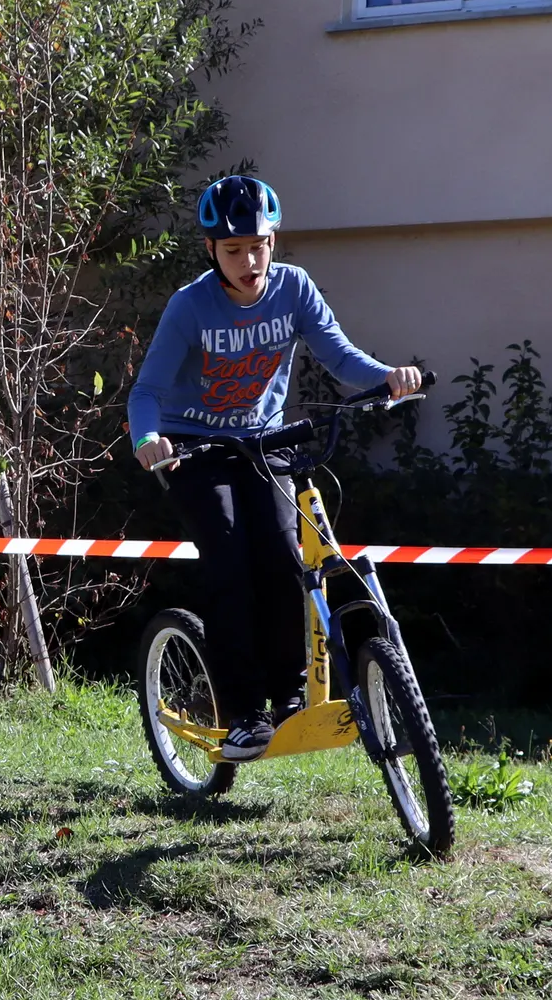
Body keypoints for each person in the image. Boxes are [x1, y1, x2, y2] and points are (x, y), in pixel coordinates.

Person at [129, 175, 421, 760]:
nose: (248, 260)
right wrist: (149, 438)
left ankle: (289, 698)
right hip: (196, 447)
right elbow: (146, 391)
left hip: (265, 441)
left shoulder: (294, 289)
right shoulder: (190, 307)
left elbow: (339, 355)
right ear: (211, 251)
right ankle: (241, 713)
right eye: (232, 250)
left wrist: (389, 376)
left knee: (290, 562)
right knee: (231, 562)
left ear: (274, 240)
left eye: (258, 245)